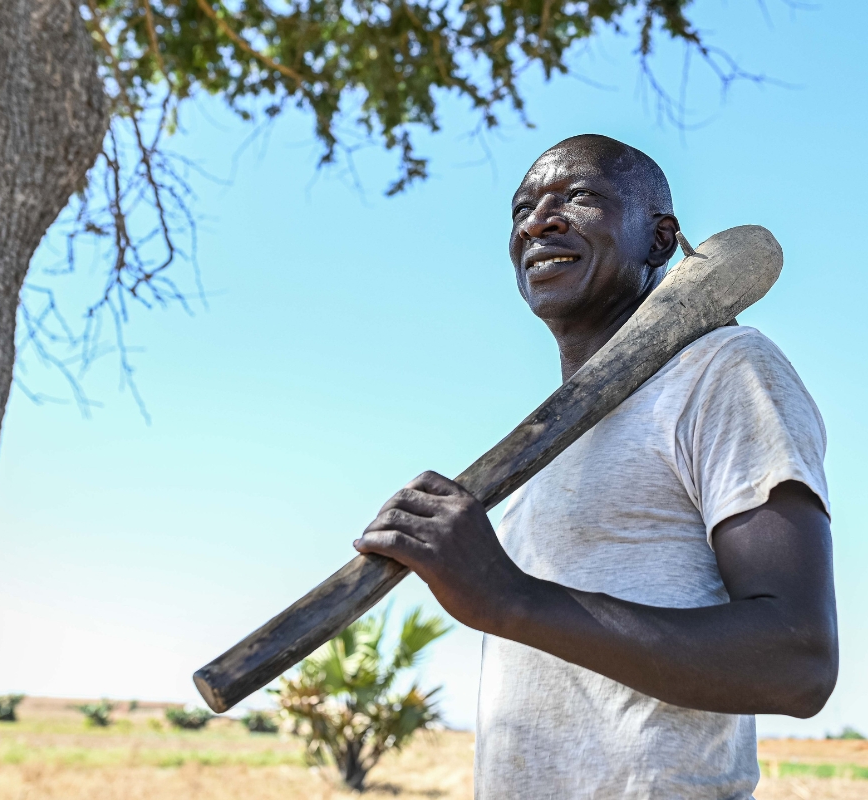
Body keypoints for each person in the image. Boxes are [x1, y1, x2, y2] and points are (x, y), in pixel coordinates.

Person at [354, 134, 837, 799]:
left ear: (660, 240)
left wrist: (508, 596)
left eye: (578, 197)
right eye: (523, 207)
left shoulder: (724, 370)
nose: (538, 221)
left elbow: (797, 660)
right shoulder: (542, 450)